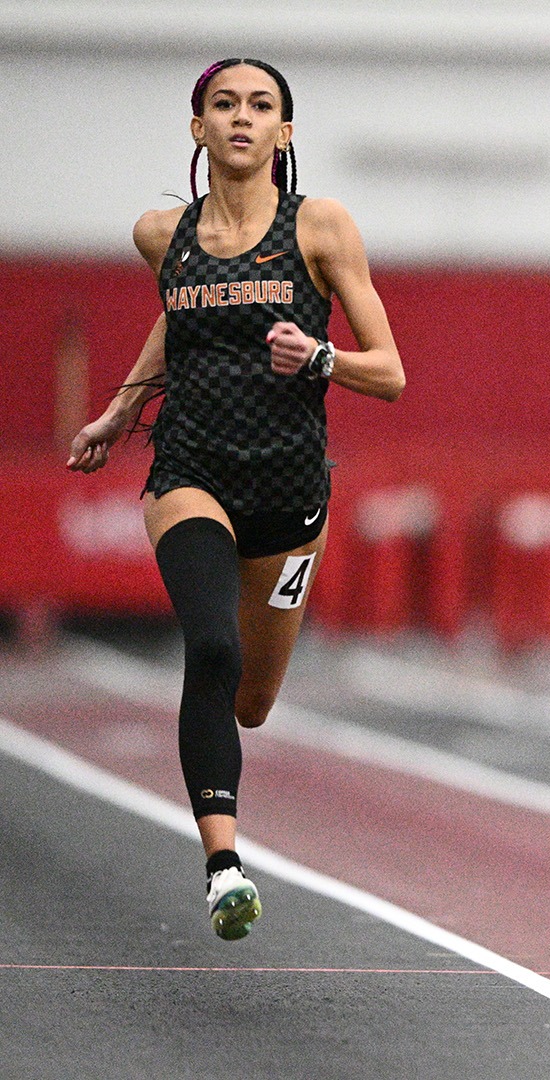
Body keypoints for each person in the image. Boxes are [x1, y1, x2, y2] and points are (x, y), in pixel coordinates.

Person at [67, 59, 404, 940]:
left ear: (285, 134)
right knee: (209, 647)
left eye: (262, 107)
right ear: (198, 129)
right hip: (192, 471)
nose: (242, 118)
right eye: (225, 105)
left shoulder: (322, 228)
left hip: (290, 492)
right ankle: (224, 867)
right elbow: (179, 323)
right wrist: (122, 409)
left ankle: (227, 802)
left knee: (250, 699)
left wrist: (321, 359)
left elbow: (392, 372)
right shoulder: (159, 235)